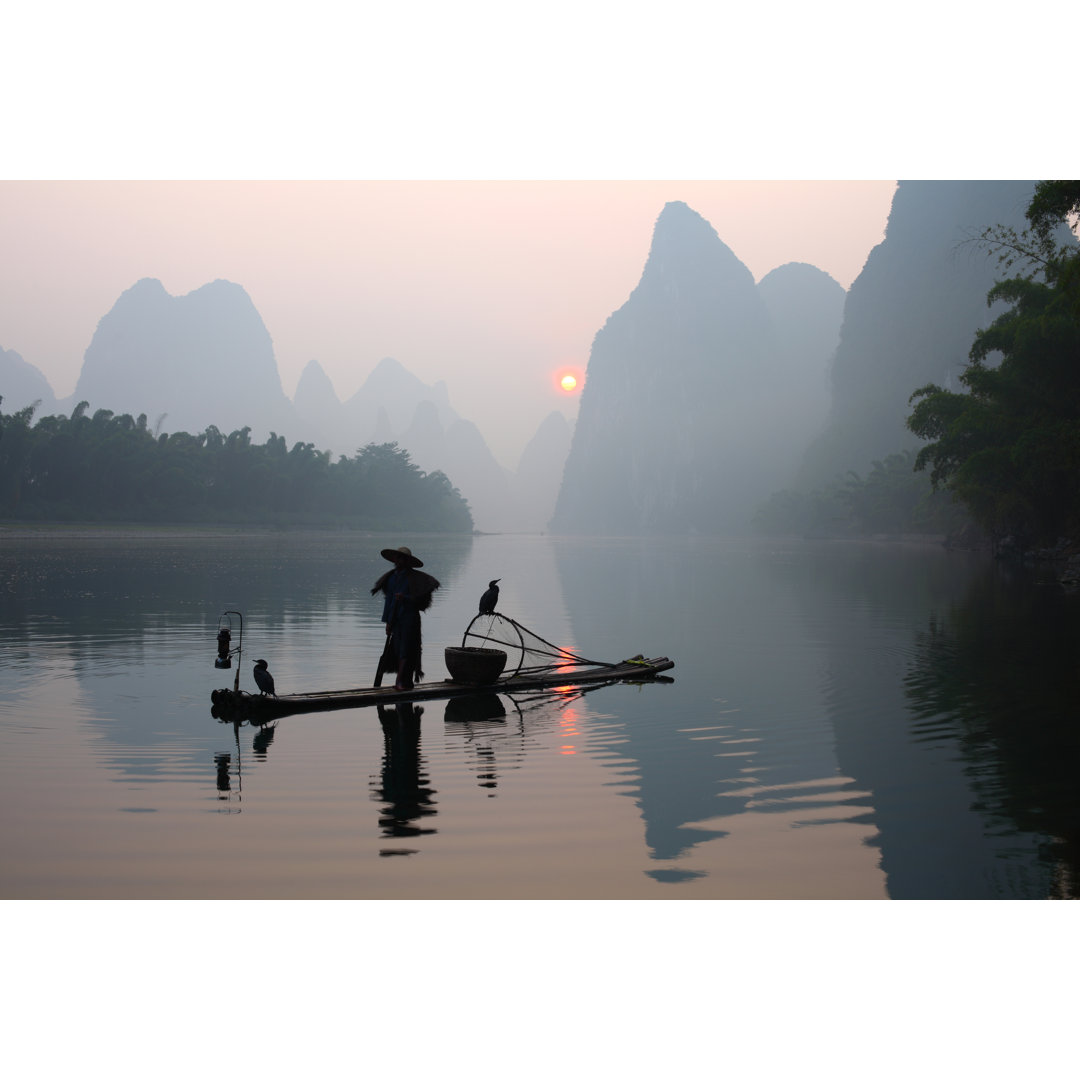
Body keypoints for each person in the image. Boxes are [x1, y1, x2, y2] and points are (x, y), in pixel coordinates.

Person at [371, 546, 440, 691]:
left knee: (406, 650)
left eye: (403, 558)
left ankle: (400, 681)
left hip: (410, 619)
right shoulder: (390, 578)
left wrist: (405, 598)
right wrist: (388, 622)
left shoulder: (415, 579)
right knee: (397, 649)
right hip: (396, 619)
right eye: (398, 558)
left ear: (408, 561)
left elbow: (419, 600)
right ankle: (404, 681)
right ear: (395, 559)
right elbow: (388, 601)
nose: (400, 560)